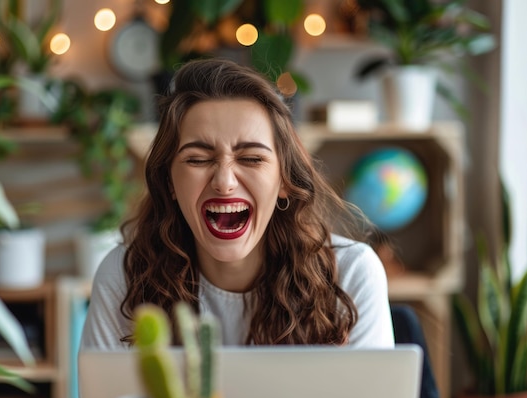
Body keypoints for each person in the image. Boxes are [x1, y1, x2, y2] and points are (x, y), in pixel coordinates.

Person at [80, 58, 394, 349]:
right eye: (198, 159)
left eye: (252, 158)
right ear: (169, 182)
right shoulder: (124, 275)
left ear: (284, 180)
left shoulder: (353, 274)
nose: (224, 181)